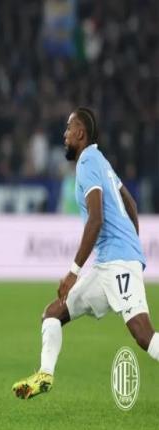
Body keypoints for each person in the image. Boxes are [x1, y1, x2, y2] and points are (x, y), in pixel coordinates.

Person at [12, 107, 159, 399]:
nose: (64, 135)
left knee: (144, 335)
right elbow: (129, 203)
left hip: (118, 263)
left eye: (69, 128)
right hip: (108, 264)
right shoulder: (101, 160)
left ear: (81, 133)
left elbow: (96, 219)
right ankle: (45, 375)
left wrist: (73, 272)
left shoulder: (88, 162)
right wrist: (130, 241)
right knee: (53, 314)